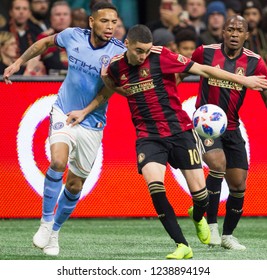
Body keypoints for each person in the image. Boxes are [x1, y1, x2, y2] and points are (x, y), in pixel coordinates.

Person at [79, 24, 267, 259]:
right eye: (139, 51)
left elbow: (205, 70)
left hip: (180, 131)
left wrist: (247, 81)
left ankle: (198, 215)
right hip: (148, 136)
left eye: (147, 51)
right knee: (155, 186)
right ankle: (181, 245)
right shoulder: (116, 66)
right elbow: (112, 84)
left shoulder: (162, 56)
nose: (143, 56)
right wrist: (100, 97)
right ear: (126, 44)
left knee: (201, 197)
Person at [3, 2, 126, 256]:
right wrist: (18, 63)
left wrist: (85, 111)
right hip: (64, 110)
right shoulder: (72, 36)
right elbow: (45, 43)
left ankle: (55, 231)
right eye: (105, 21)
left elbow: (110, 90)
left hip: (92, 122)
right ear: (92, 22)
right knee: (58, 161)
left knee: (74, 186)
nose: (110, 27)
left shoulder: (119, 53)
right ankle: (46, 222)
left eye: (114, 22)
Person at [190, 15, 267, 249]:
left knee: (238, 185)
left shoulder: (255, 63)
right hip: (206, 124)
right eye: (230, 29)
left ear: (246, 35)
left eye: (239, 30)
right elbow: (179, 74)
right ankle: (211, 225)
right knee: (217, 164)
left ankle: (227, 235)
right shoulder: (204, 53)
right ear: (222, 32)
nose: (234, 34)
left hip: (232, 126)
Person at [36, 1, 72, 75]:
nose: (62, 18)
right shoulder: (43, 38)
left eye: (65, 14)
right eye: (58, 14)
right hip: (51, 83)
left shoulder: (79, 38)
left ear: (70, 18)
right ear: (51, 18)